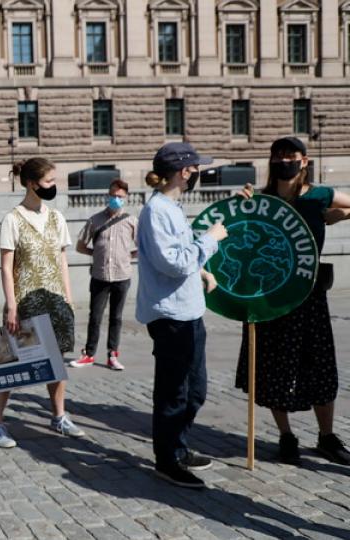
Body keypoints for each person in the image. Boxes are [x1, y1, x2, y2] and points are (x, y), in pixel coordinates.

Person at [235, 136, 350, 466]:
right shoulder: (262, 199)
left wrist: (340, 216)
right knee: (274, 370)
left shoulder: (319, 195)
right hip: (270, 296)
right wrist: (242, 206)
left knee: (319, 366)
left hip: (309, 295)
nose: (284, 160)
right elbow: (239, 237)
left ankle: (326, 436)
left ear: (304, 160)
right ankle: (286, 436)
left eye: (291, 155)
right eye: (279, 155)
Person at [137, 142, 226, 489]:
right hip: (171, 315)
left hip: (188, 310)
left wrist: (202, 272)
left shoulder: (170, 207)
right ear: (185, 172)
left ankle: (179, 444)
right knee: (174, 391)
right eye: (196, 168)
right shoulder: (158, 210)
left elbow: (180, 258)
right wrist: (211, 239)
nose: (199, 173)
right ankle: (167, 459)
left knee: (195, 390)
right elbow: (172, 262)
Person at [0, 157, 85, 449]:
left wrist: (69, 298)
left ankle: (59, 416)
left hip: (55, 300)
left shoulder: (57, 218)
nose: (53, 186)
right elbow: (7, 267)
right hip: (25, 300)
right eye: (49, 182)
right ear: (32, 184)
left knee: (57, 364)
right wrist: (12, 306)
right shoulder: (13, 219)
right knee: (6, 365)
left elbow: (62, 261)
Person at [72, 179, 138, 370]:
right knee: (95, 317)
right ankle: (89, 354)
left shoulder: (131, 221)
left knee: (116, 318)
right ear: (107, 196)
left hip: (122, 276)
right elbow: (80, 246)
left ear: (126, 198)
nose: (116, 199)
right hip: (100, 275)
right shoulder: (95, 220)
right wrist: (96, 254)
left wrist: (128, 256)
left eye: (120, 196)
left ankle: (113, 355)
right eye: (113, 195)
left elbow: (143, 246)